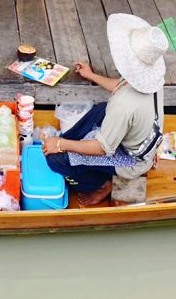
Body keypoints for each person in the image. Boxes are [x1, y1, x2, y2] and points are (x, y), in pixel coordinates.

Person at [42, 14, 166, 207]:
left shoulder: (123, 104)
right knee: (101, 109)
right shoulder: (152, 80)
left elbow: (102, 149)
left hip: (131, 160)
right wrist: (91, 75)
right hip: (143, 139)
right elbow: (121, 85)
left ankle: (102, 185)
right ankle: (64, 142)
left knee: (55, 160)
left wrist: (61, 145)